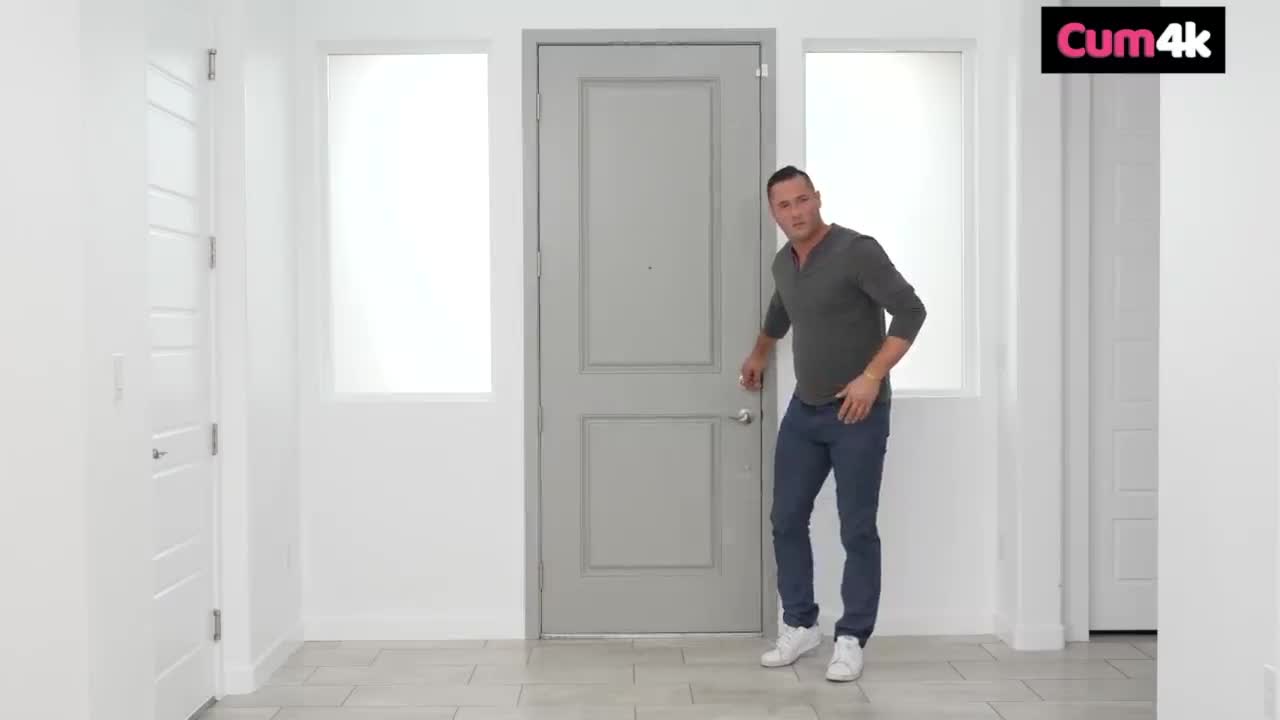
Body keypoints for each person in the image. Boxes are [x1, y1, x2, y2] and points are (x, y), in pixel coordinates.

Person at [740, 166, 926, 682]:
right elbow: (782, 309)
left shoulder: (856, 251)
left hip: (857, 413)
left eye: (802, 200)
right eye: (784, 205)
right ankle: (801, 625)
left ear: (817, 198)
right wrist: (759, 353)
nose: (796, 212)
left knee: (856, 527)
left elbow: (910, 311)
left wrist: (871, 377)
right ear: (773, 213)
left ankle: (851, 637)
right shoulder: (784, 263)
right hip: (805, 410)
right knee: (785, 519)